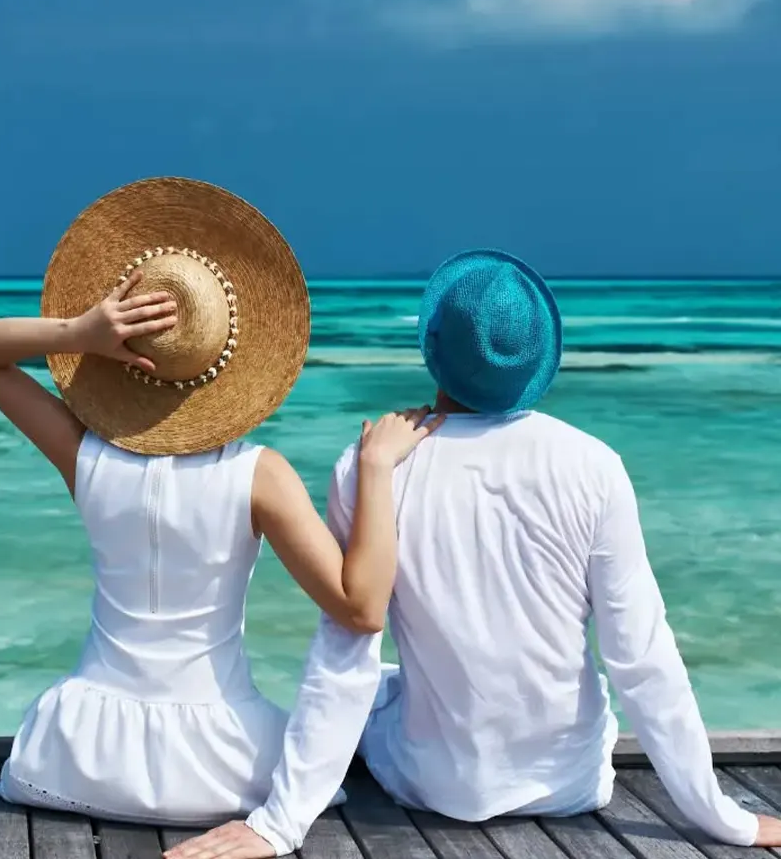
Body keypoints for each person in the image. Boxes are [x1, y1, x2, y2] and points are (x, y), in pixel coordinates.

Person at [169, 248, 781, 858]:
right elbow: (641, 658)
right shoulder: (594, 465)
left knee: (380, 685)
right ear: (537, 356)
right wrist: (728, 821)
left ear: (434, 349)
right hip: (570, 783)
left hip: (434, 785)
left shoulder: (369, 468)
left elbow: (344, 654)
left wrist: (280, 823)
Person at [0, 177, 442, 837]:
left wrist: (78, 332)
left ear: (125, 361)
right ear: (235, 360)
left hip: (74, 759)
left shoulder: (85, 457)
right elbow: (360, 607)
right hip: (223, 768)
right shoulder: (258, 476)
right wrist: (377, 470)